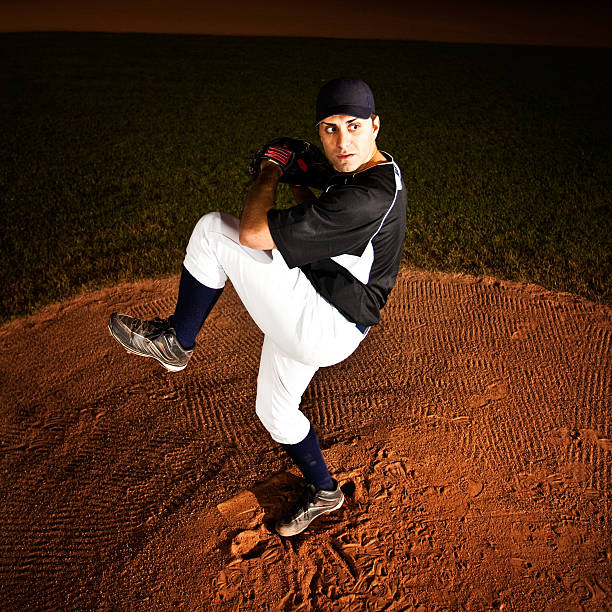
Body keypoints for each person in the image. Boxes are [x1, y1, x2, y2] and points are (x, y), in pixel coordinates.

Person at [108, 77, 407, 537]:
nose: (342, 140)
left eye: (353, 126)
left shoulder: (365, 197)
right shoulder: (375, 171)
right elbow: (314, 229)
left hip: (321, 321)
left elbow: (252, 234)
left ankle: (176, 340)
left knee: (214, 230)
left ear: (375, 125)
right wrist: (300, 180)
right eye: (329, 129)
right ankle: (325, 491)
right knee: (276, 412)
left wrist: (271, 170)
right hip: (330, 316)